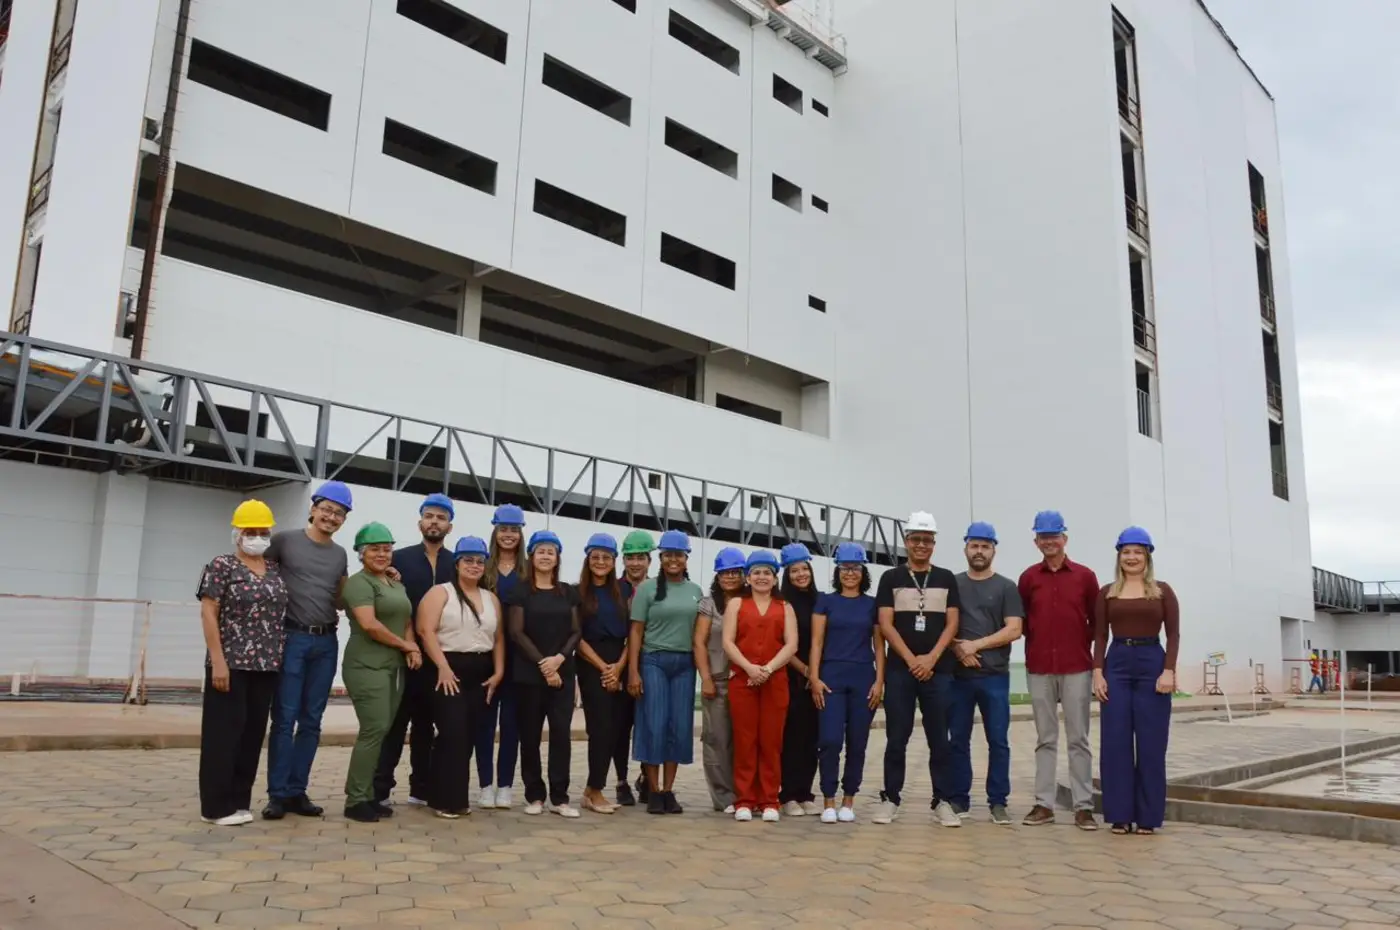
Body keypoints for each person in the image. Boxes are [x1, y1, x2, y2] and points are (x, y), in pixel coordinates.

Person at [263, 480, 352, 821]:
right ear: (313, 509)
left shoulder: (340, 554)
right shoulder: (284, 541)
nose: (331, 517)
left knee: (312, 721)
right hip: (292, 638)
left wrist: (383, 576)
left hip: (326, 642)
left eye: (339, 513)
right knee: (285, 719)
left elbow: (341, 599)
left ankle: (297, 791)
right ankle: (277, 794)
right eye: (326, 509)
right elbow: (260, 574)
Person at [197, 500, 289, 826]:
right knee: (223, 736)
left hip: (266, 666)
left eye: (263, 532)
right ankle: (214, 807)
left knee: (251, 736)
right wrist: (218, 661)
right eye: (251, 532)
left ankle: (238, 801)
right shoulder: (222, 566)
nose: (257, 538)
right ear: (237, 534)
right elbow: (209, 611)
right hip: (231, 663)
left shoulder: (275, 569)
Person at [873, 511, 963, 827]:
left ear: (934, 543)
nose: (921, 545)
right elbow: (885, 624)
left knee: (939, 739)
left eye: (927, 540)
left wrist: (931, 659)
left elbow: (952, 623)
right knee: (897, 737)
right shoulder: (891, 578)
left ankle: (942, 801)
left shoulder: (946, 578)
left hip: (939, 671)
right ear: (906, 541)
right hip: (901, 671)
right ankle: (891, 799)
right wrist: (913, 660)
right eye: (916, 539)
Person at [1093, 527, 1179, 836]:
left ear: (1147, 557)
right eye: (1126, 552)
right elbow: (1100, 635)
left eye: (1137, 552)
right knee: (1115, 742)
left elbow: (1173, 634)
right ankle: (1119, 815)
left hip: (1151, 663)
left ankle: (1147, 817)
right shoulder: (1107, 592)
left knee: (1151, 743)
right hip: (1116, 664)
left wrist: (1169, 670)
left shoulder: (1162, 591)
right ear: (1119, 556)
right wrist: (1098, 671)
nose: (1131, 557)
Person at [1019, 510, 1100, 830]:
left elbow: (1096, 622)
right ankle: (1044, 804)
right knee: (1045, 738)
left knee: (1078, 738)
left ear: (1065, 538)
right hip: (1039, 667)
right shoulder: (1029, 578)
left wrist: (1083, 649)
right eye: (1043, 536)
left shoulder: (1085, 577)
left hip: (1076, 666)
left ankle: (1083, 807)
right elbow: (1023, 621)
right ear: (1036, 541)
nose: (1049, 541)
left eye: (1054, 536)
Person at [374, 493, 456, 808]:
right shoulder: (399, 559)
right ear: (420, 521)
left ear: (449, 526)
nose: (434, 522)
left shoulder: (457, 563)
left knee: (427, 725)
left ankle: (421, 788)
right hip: (402, 654)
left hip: (440, 657)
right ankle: (380, 789)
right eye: (429, 516)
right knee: (395, 724)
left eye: (441, 518)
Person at [415, 536, 505, 819]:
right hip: (447, 668)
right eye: (468, 560)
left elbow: (498, 638)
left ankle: (447, 795)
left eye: (479, 561)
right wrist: (442, 666)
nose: (474, 565)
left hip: (480, 670)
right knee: (452, 732)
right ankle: (446, 800)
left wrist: (499, 671)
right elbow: (425, 631)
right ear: (457, 563)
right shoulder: (440, 593)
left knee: (468, 735)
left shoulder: (491, 598)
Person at [341, 522, 421, 823]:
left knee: (383, 729)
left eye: (387, 549)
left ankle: (368, 795)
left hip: (393, 665)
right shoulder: (359, 584)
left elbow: (406, 619)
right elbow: (370, 625)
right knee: (373, 728)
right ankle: (355, 799)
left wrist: (411, 647)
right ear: (361, 553)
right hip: (366, 665)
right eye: (374, 549)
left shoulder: (394, 583)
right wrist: (407, 645)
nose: (382, 554)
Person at [947, 522, 1023, 825]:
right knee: (957, 740)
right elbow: (942, 626)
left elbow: (1014, 629)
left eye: (985, 546)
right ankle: (958, 799)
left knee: (998, 741)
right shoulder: (952, 584)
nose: (979, 551)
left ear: (994, 550)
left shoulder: (1006, 587)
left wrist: (974, 645)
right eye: (974, 546)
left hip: (995, 676)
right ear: (965, 548)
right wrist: (958, 649)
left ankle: (998, 801)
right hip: (958, 678)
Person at [627, 530, 703, 815]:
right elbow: (636, 632)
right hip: (653, 661)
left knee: (678, 727)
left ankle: (669, 790)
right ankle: (654, 790)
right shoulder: (647, 589)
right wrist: (633, 672)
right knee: (654, 724)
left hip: (684, 664)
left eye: (678, 555)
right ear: (660, 558)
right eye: (668, 554)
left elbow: (700, 633)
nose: (673, 560)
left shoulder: (695, 591)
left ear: (686, 558)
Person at [808, 542, 883, 824]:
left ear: (863, 572)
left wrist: (880, 681)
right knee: (829, 740)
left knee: (857, 741)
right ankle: (828, 799)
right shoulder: (825, 601)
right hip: (830, 678)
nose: (850, 573)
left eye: (855, 568)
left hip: (863, 677)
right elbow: (816, 643)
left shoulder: (872, 605)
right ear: (837, 571)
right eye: (844, 568)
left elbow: (879, 646)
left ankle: (848, 799)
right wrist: (814, 678)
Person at [509, 529, 582, 818]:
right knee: (530, 736)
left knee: (561, 735)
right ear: (531, 556)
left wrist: (559, 659)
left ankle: (560, 798)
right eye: (541, 551)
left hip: (563, 674)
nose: (545, 556)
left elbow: (576, 631)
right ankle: (535, 795)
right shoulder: (521, 591)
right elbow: (516, 632)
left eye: (551, 552)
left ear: (557, 558)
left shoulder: (569, 592)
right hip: (529, 674)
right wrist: (544, 664)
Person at [724, 550, 800, 823]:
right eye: (756, 572)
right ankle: (744, 800)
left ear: (775, 578)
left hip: (774, 681)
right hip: (742, 679)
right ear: (747, 577)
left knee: (771, 741)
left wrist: (767, 669)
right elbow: (728, 642)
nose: (761, 577)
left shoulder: (785, 607)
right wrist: (749, 668)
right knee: (745, 741)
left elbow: (791, 644)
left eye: (767, 572)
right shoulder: (736, 604)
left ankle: (769, 800)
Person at [575, 533, 630, 814]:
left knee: (615, 730)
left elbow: (634, 633)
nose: (600, 562)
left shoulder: (623, 592)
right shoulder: (577, 593)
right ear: (587, 559)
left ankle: (591, 790)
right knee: (600, 729)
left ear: (614, 561)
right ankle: (595, 791)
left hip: (619, 661)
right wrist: (603, 668)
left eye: (606, 557)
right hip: (590, 663)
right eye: (595, 557)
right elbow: (576, 637)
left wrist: (618, 667)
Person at [477, 503, 526, 810]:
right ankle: (485, 785)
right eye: (503, 529)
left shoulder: (528, 570)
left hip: (520, 656)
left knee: (511, 725)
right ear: (495, 531)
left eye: (514, 530)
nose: (509, 535)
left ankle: (505, 786)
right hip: (486, 654)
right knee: (484, 723)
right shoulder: (482, 566)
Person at [694, 546, 746, 814]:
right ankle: (724, 797)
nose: (730, 577)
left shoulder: (752, 601)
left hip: (746, 681)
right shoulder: (709, 604)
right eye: (724, 572)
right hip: (717, 679)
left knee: (745, 740)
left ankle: (746, 794)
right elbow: (699, 642)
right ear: (717, 575)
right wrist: (705, 677)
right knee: (717, 740)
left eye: (735, 572)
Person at [777, 543, 821, 817]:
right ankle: (788, 795)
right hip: (792, 676)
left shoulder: (820, 600)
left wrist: (816, 674)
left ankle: (806, 793)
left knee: (812, 738)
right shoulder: (782, 603)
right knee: (791, 737)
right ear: (787, 574)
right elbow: (782, 644)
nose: (801, 574)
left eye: (805, 569)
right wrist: (806, 671)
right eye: (795, 571)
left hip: (816, 679)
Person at [618, 529, 655, 806]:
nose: (635, 563)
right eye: (630, 557)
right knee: (621, 727)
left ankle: (646, 777)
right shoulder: (613, 589)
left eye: (640, 557)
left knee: (649, 725)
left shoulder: (658, 589)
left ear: (649, 561)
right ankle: (621, 781)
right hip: (619, 666)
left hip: (651, 664)